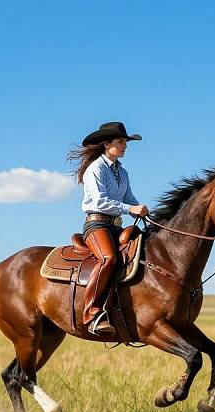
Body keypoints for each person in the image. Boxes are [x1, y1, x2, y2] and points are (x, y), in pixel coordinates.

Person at [68, 122, 149, 335]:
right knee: (109, 259)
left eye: (125, 142)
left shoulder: (122, 172)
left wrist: (144, 211)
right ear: (106, 144)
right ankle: (92, 314)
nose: (125, 146)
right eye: (121, 142)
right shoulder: (95, 168)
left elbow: (130, 199)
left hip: (116, 226)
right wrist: (131, 208)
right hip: (97, 225)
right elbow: (101, 202)